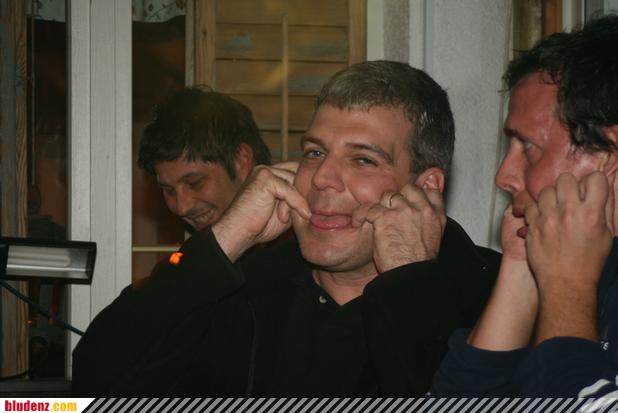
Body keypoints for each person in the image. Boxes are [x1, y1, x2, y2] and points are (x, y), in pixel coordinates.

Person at [72, 61, 499, 396]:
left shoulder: (492, 297)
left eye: (362, 159)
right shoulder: (244, 289)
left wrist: (410, 286)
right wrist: (224, 240)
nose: (322, 178)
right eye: (314, 152)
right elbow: (93, 383)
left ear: (426, 187)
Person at [432, 15, 618, 400]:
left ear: (608, 156)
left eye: (528, 147)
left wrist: (568, 288)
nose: (503, 176)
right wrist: (520, 270)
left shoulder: (575, 282)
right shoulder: (593, 265)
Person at [137, 87, 271, 231]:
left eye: (195, 183)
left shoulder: (288, 238)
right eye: (169, 190)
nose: (182, 208)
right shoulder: (199, 243)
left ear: (241, 159)